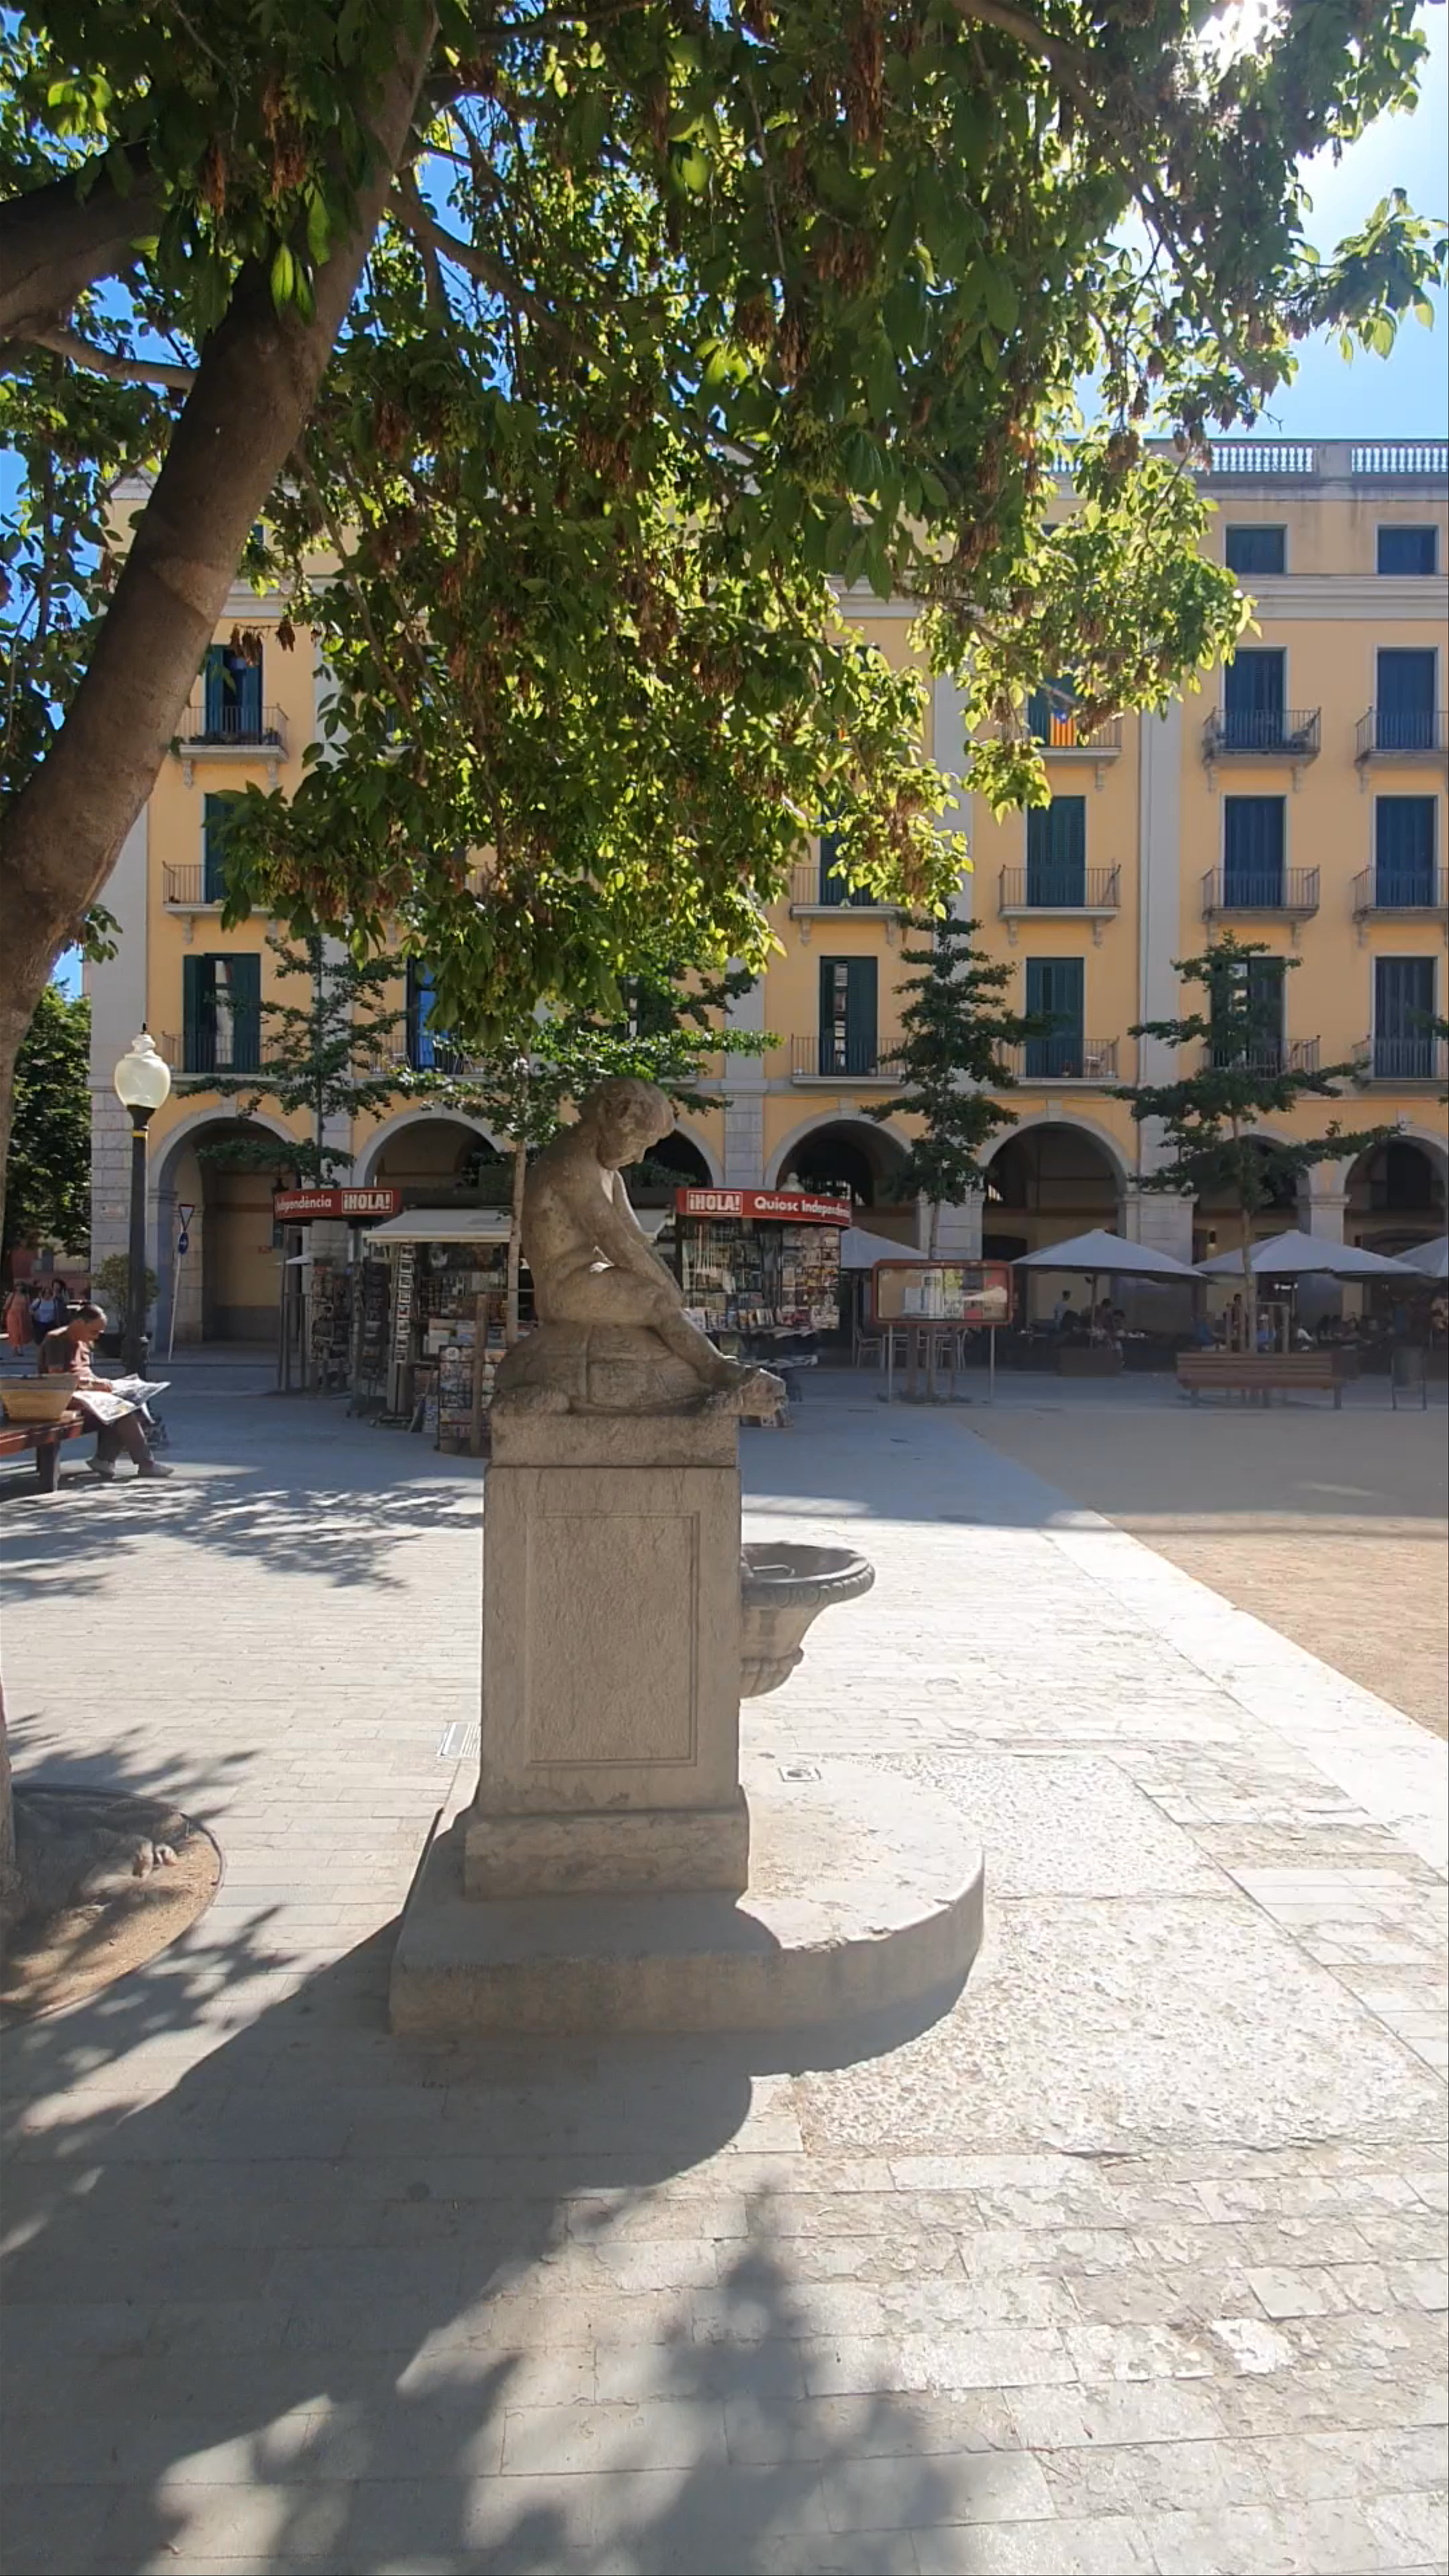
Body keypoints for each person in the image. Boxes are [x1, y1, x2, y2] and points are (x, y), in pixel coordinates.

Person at [37, 1301, 172, 1481]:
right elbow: (58, 1380)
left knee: (131, 1405)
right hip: (62, 1397)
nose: (97, 1337)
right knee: (122, 1412)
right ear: (79, 1324)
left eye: (100, 1333)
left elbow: (85, 1372)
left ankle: (105, 1459)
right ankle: (145, 1464)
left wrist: (107, 1385)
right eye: (94, 1332)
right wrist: (93, 1385)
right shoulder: (56, 1340)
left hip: (86, 1394)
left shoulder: (84, 1341)